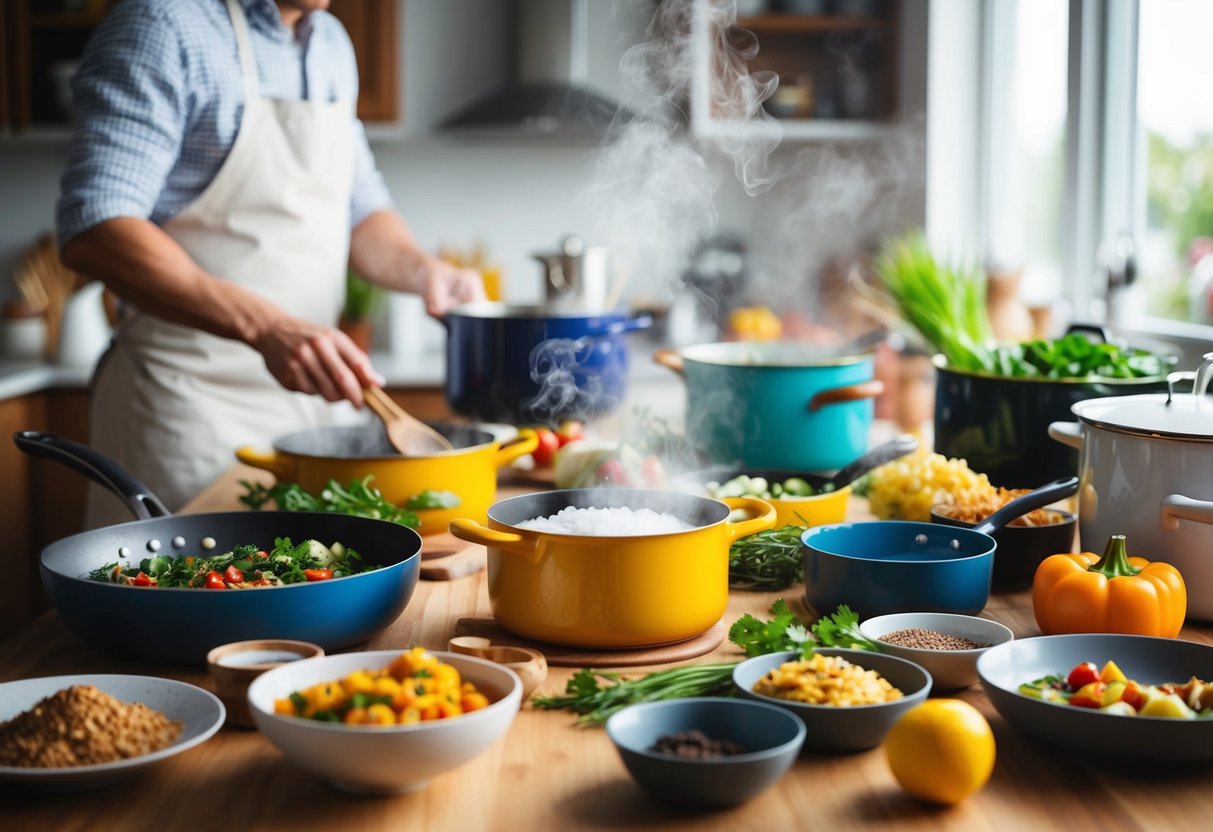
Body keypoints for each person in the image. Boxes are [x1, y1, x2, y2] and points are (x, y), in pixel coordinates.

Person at [56, 0, 484, 527]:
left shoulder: (329, 42)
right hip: (188, 408)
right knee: (187, 600)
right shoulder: (163, 26)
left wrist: (424, 272)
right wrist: (268, 326)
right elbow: (97, 227)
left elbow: (361, 209)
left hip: (317, 415)